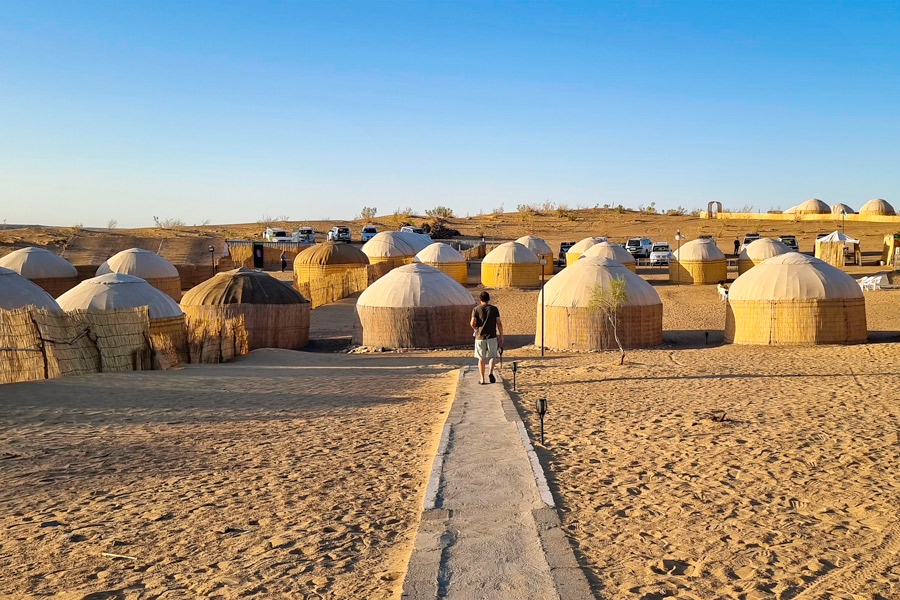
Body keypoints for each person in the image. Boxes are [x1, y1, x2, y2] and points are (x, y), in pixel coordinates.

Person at [470, 291, 503, 385]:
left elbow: (472, 323)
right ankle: (491, 372)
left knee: (481, 358)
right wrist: (501, 335)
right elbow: (499, 322)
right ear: (488, 299)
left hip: (480, 337)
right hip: (492, 336)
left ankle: (482, 379)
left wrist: (475, 328)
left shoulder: (476, 309)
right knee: (493, 356)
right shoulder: (494, 309)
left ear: (480, 299)